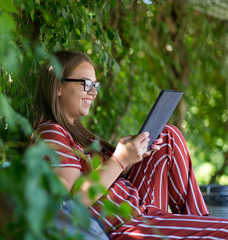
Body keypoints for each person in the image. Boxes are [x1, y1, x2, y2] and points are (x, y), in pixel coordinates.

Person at [30, 50, 228, 239]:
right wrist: (119, 159)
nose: (93, 92)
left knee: (168, 135)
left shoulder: (78, 133)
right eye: (86, 84)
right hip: (125, 225)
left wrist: (134, 151)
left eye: (95, 85)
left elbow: (112, 176)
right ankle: (201, 227)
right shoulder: (51, 132)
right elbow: (73, 202)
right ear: (58, 87)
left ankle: (199, 222)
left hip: (137, 209)